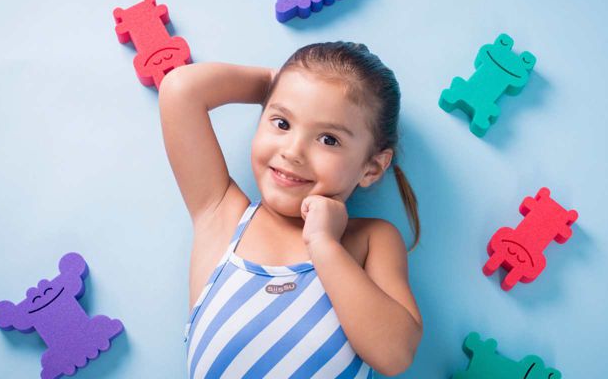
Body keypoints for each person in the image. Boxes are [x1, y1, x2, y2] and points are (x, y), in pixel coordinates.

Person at [159, 41, 423, 378]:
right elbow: (180, 90)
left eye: (329, 139)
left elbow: (395, 355)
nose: (293, 151)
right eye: (282, 123)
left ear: (371, 168)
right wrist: (279, 81)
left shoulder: (370, 241)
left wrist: (324, 245)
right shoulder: (221, 215)